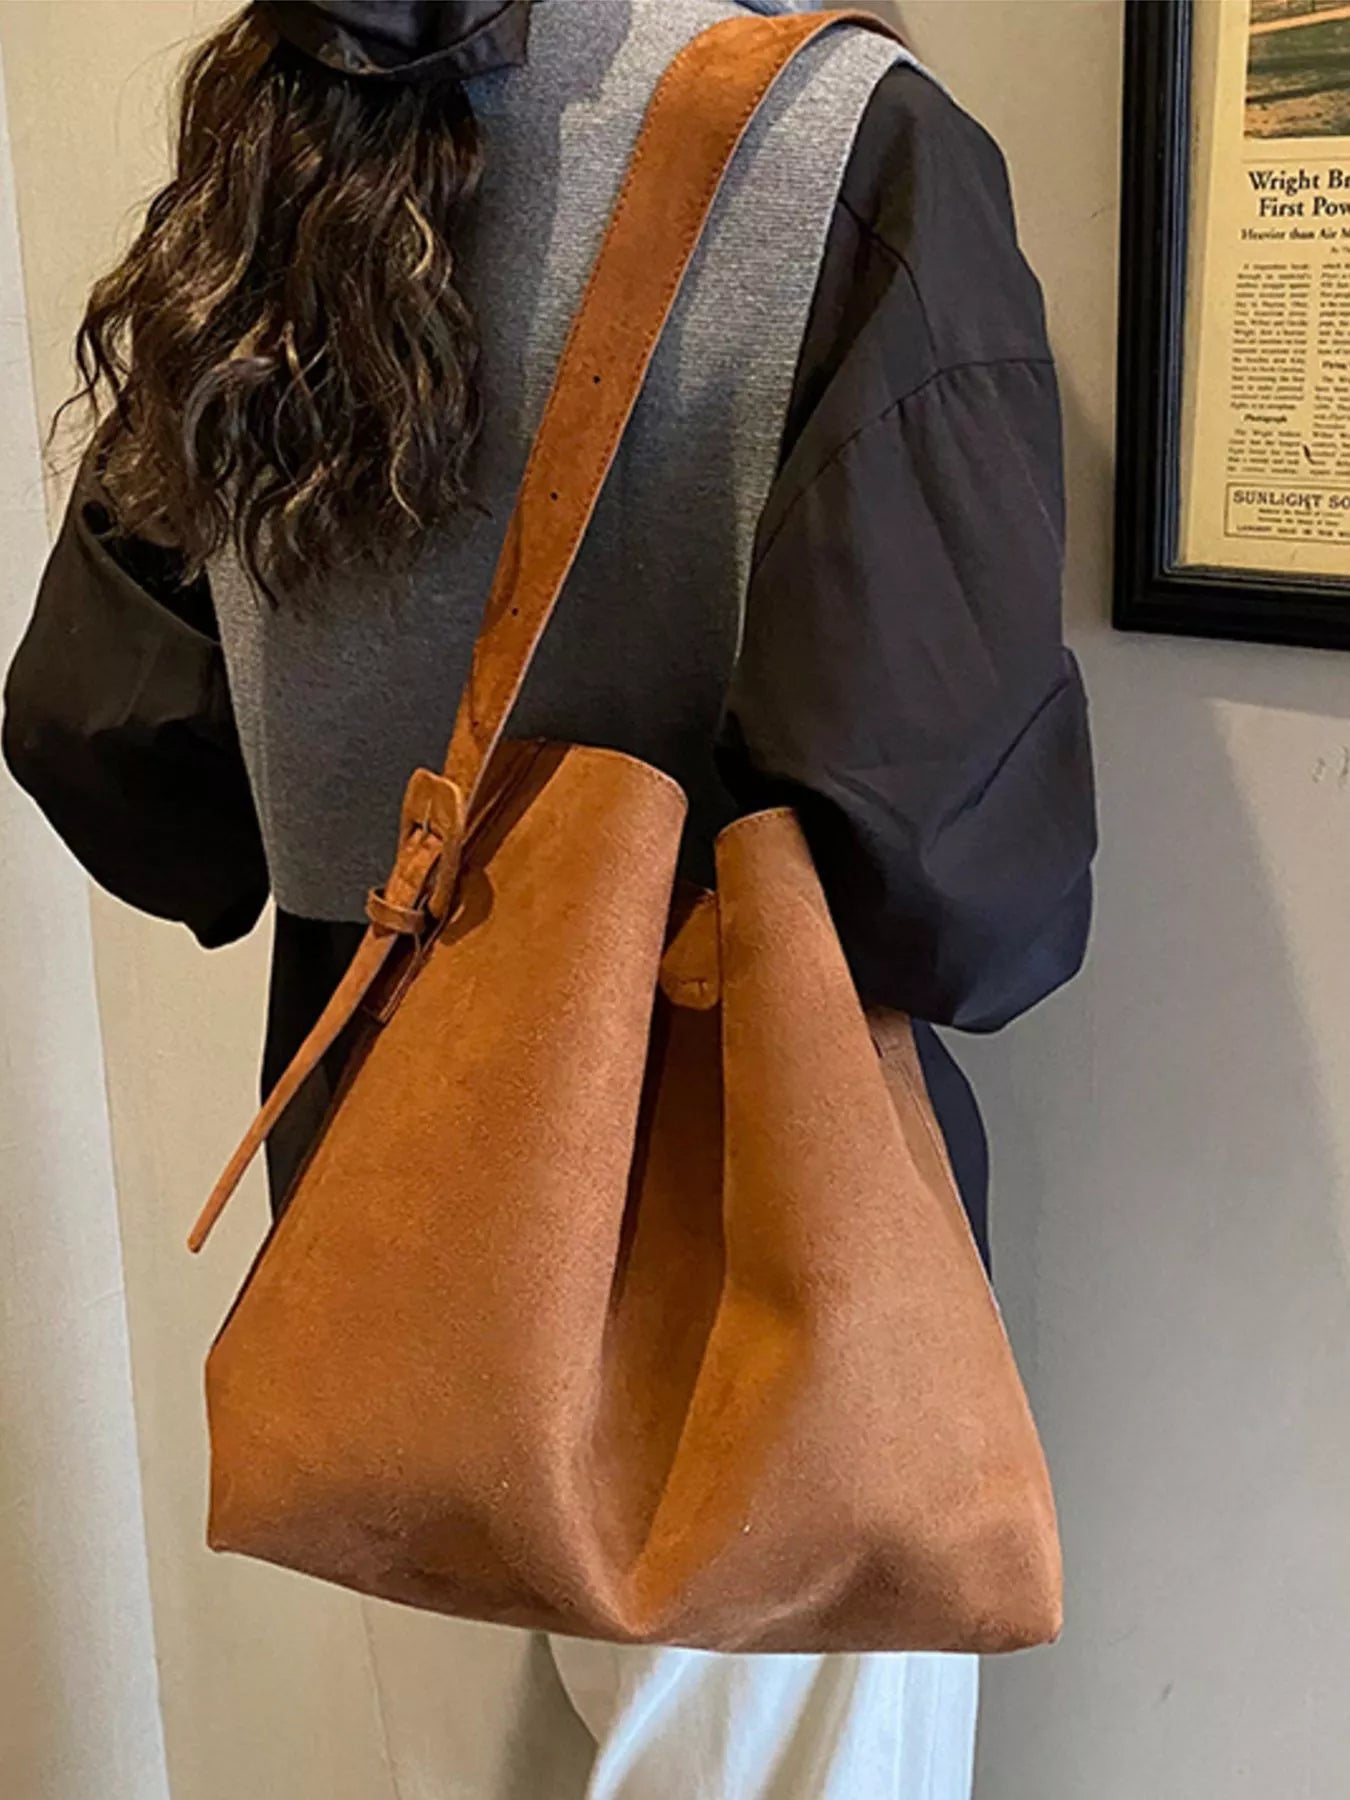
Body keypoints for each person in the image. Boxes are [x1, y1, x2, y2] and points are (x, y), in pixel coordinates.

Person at [2, 2, 1096, 1795]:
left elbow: (102, 730)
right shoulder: (843, 149)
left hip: (390, 1228)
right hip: (744, 1268)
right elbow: (949, 871)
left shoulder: (278, 134)